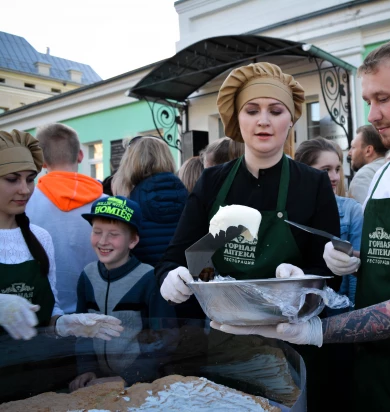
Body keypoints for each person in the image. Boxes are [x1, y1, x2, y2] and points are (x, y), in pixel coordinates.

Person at [211, 39, 390, 411]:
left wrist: (316, 331)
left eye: (383, 98)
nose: (373, 114)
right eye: (368, 101)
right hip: (375, 372)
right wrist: (353, 260)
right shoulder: (383, 174)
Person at [156, 62, 340, 409]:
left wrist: (306, 282)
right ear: (236, 121)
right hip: (225, 342)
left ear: (291, 119)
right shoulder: (212, 182)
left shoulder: (311, 184)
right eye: (252, 110)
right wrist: (173, 276)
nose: (263, 120)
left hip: (292, 344)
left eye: (276, 110)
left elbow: (330, 274)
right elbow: (179, 257)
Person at [0, 129, 123, 341]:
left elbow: (50, 307)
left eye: (30, 179)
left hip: (36, 364)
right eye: (12, 179)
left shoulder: (40, 237)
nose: (25, 190)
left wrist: (64, 323)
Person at [70, 196, 176, 390]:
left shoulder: (149, 279)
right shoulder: (87, 276)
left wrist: (125, 379)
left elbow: (164, 340)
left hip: (141, 385)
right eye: (97, 231)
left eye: (113, 234)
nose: (103, 241)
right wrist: (86, 369)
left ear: (133, 240)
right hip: (97, 384)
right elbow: (81, 331)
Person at [26, 123, 106, 314]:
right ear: (80, 155)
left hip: (43, 313)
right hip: (98, 312)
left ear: (42, 161)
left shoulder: (24, 204)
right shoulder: (108, 204)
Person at [295, 137, 363, 306]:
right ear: (305, 171)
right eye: (326, 170)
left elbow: (356, 273)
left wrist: (353, 319)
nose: (335, 177)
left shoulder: (350, 210)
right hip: (295, 309)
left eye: (337, 169)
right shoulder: (289, 210)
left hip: (337, 312)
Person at [112, 136, 188, 267]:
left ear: (130, 162)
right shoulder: (190, 197)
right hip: (181, 283)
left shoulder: (128, 205)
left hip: (143, 283)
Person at [347, 124, 388, 204]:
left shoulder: (363, 176)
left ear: (368, 150)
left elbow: (364, 213)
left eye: (353, 147)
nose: (349, 153)